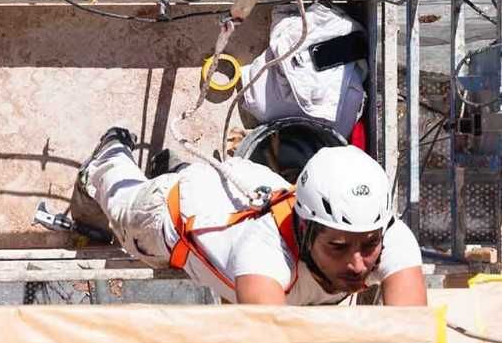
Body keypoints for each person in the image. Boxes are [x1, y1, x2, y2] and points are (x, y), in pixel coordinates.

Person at [80, 127, 426, 306]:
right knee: (121, 201)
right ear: (304, 228)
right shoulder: (262, 253)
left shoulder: (383, 233)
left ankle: (178, 167)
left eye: (369, 246)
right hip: (170, 214)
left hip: (247, 188)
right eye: (337, 246)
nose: (358, 264)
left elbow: (413, 342)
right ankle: (110, 154)